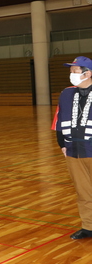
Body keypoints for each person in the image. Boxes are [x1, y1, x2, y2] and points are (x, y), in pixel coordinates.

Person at [52, 56, 92, 239]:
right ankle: (88, 226)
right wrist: (62, 143)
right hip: (73, 149)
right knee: (83, 191)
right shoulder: (66, 93)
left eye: (75, 70)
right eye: (71, 70)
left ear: (88, 73)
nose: (71, 74)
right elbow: (59, 120)